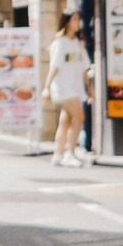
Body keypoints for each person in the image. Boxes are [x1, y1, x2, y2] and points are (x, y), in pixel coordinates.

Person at [46, 11, 90, 163]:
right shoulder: (60, 43)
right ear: (67, 22)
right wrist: (46, 88)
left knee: (65, 120)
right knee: (79, 116)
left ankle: (58, 154)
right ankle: (69, 152)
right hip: (63, 88)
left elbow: (85, 69)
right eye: (75, 19)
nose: (78, 22)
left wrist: (89, 90)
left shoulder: (78, 43)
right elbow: (54, 67)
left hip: (75, 88)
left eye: (79, 19)